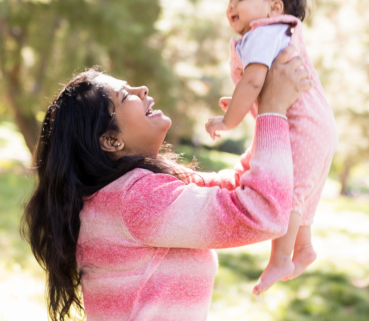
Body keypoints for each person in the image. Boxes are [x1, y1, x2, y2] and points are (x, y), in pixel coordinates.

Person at [22, 45, 311, 321]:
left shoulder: (120, 194)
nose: (141, 89)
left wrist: (269, 116)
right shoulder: (136, 199)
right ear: (111, 140)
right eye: (125, 96)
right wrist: (274, 111)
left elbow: (233, 185)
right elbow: (261, 212)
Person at [203, 0, 337, 295]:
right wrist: (240, 101)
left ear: (275, 7)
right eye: (229, 1)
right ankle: (303, 248)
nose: (231, 5)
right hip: (317, 124)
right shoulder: (276, 32)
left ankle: (280, 259)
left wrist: (228, 120)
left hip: (302, 126)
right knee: (302, 189)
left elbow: (252, 82)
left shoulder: (264, 32)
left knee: (290, 190)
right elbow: (258, 85)